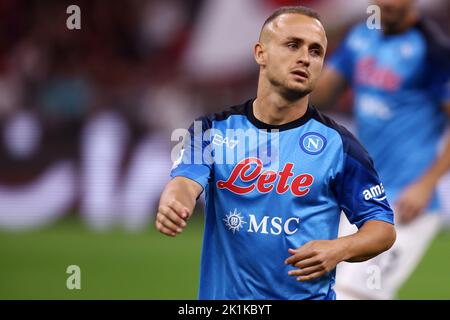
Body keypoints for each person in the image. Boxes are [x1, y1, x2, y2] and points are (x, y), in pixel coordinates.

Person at [155, 6, 396, 300]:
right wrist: (174, 203)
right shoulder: (212, 131)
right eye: (292, 45)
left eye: (316, 51)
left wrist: (339, 249)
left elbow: (382, 228)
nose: (305, 58)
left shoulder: (341, 147)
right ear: (261, 53)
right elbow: (184, 182)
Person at [312, 0, 450, 300]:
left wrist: (426, 185)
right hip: (361, 192)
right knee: (334, 289)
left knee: (355, 293)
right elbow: (321, 95)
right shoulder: (360, 38)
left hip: (407, 201)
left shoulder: (433, 51)